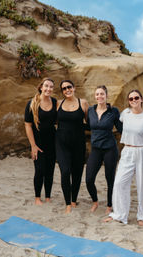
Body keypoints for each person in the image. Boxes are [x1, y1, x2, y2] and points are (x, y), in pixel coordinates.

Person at [105, 89, 143, 225]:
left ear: (141, 99)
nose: (134, 100)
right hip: (127, 150)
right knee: (120, 183)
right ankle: (120, 215)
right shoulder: (125, 113)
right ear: (128, 101)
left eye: (136, 98)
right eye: (131, 98)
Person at [85, 85, 122, 214]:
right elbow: (88, 126)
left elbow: (121, 128)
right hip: (95, 149)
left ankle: (109, 205)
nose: (99, 96)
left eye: (102, 94)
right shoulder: (90, 110)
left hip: (110, 149)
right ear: (95, 96)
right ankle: (95, 201)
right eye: (97, 94)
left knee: (110, 178)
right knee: (89, 179)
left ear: (106, 96)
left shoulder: (113, 111)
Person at [56, 80, 89, 214]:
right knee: (65, 171)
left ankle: (74, 199)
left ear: (74, 88)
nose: (67, 90)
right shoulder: (58, 103)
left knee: (77, 173)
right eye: (64, 89)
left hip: (79, 143)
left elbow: (89, 121)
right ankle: (68, 203)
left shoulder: (83, 103)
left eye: (69, 87)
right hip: (61, 143)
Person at [24, 78, 57, 205]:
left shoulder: (54, 102)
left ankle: (48, 196)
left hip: (52, 142)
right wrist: (33, 146)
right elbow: (28, 125)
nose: (48, 89)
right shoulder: (32, 103)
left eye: (51, 87)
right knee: (39, 170)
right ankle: (37, 197)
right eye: (46, 86)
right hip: (38, 143)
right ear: (41, 87)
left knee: (50, 170)